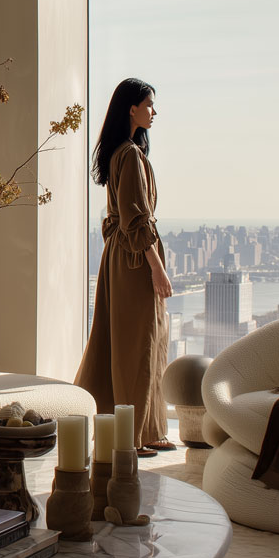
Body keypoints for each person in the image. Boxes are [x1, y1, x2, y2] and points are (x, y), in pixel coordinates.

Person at [75, 78, 175, 456]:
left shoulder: (122, 152)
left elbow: (119, 218)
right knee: (138, 346)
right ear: (131, 108)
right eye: (149, 104)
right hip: (134, 259)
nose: (154, 111)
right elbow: (135, 218)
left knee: (140, 344)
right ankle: (129, 437)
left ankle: (143, 431)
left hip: (122, 257)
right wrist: (156, 268)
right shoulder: (130, 155)